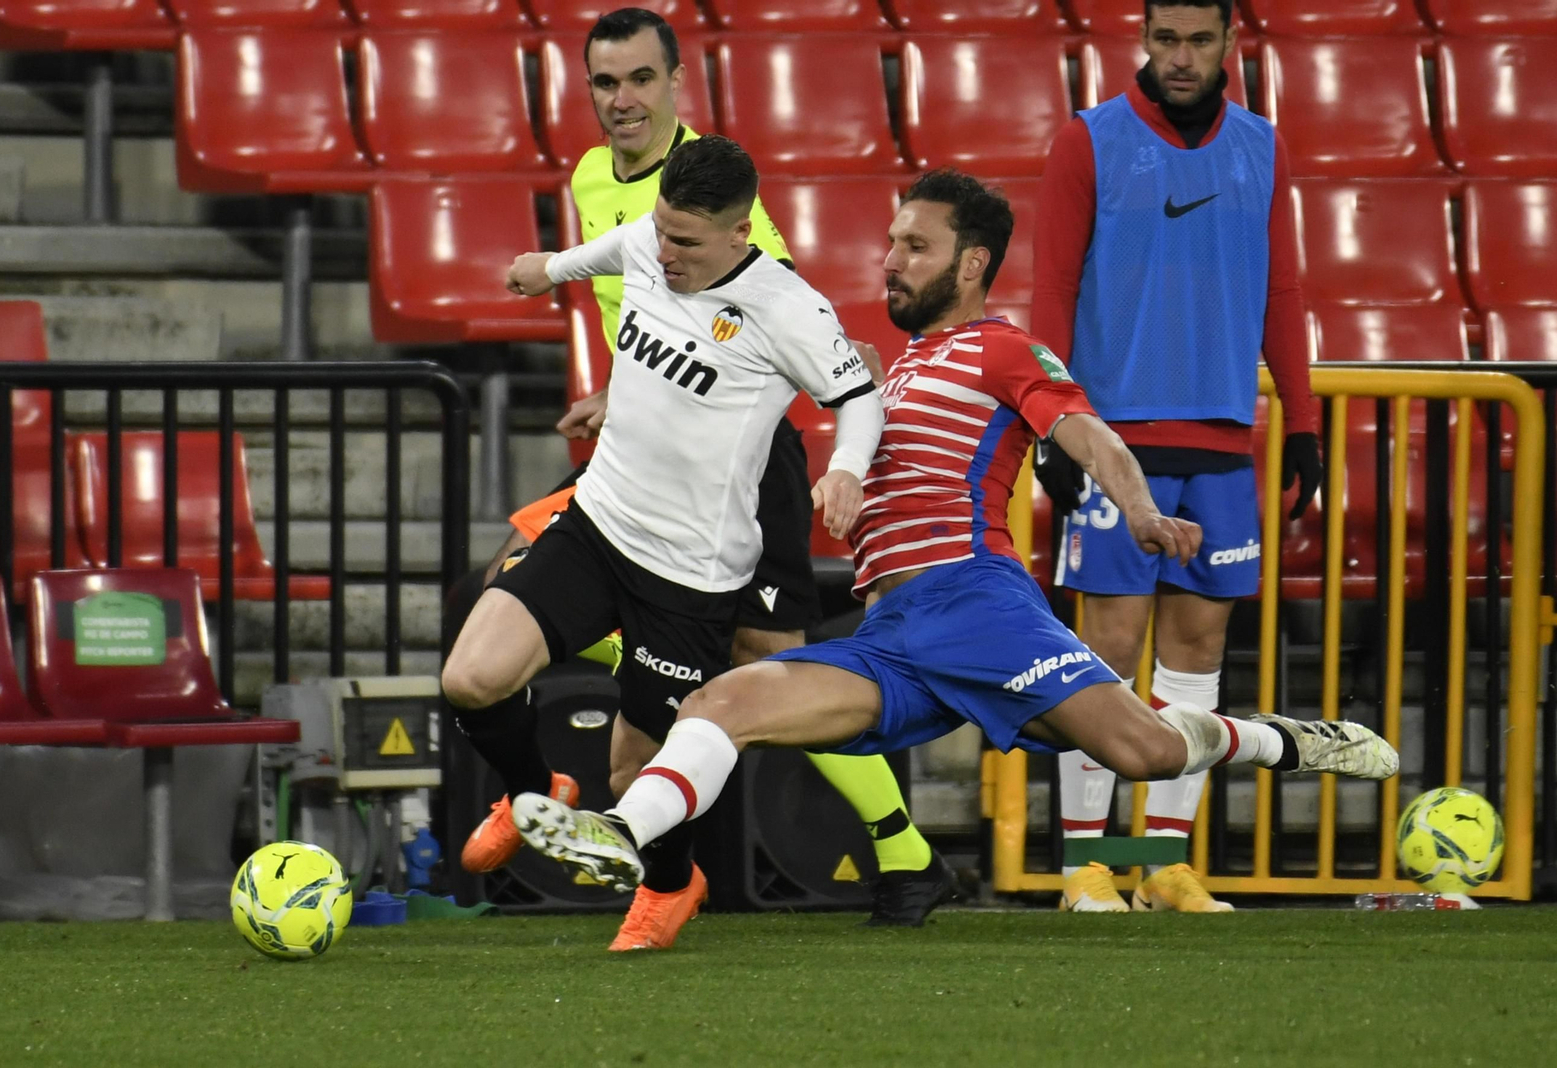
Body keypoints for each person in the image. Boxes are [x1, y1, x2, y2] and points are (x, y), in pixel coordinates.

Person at [506, 170, 1396, 899]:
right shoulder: (897, 368)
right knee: (719, 707)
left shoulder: (1000, 349)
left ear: (971, 264)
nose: (889, 259)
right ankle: (619, 833)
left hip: (973, 602)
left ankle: (1282, 739)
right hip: (892, 633)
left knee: (1145, 750)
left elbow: (1087, 431)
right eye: (891, 241)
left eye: (914, 247)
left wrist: (1138, 509)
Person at [445, 6, 950, 935]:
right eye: (606, 83)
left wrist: (846, 465)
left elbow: (771, 336)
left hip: (746, 468)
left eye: (641, 79)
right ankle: (553, 784)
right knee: (506, 623)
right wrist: (614, 388)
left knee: (772, 667)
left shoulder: (723, 201)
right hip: (640, 457)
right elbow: (631, 298)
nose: (623, 99)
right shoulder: (598, 182)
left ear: (677, 84)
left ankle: (899, 847)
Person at [1030, 0, 1323, 913]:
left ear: (1232, 43)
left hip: (1225, 438)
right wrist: (1054, 423)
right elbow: (1052, 286)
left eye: (1200, 40)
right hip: (1117, 440)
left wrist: (1303, 420)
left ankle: (1163, 864)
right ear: (1143, 40)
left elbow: (1282, 288)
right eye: (1167, 40)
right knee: (1105, 654)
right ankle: (1092, 864)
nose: (1182, 57)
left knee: (1198, 653)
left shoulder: (1262, 147)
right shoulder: (1089, 141)